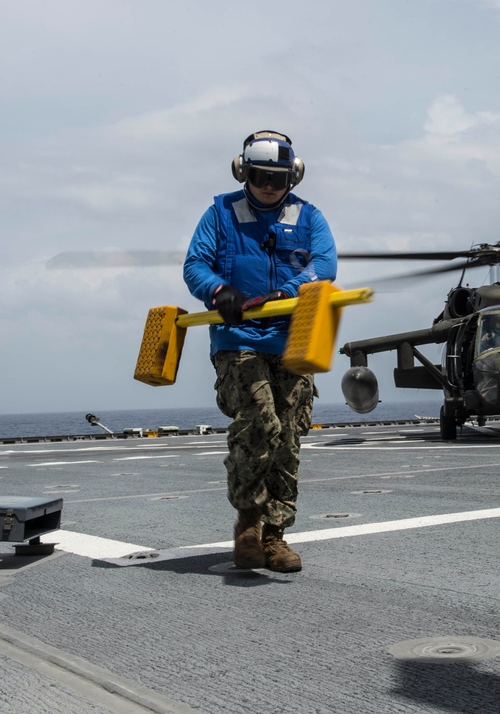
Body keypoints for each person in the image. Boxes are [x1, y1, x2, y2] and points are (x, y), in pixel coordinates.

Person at [183, 130, 338, 570]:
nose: (268, 186)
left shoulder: (309, 217)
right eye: (259, 176)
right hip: (239, 342)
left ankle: (275, 537)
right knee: (260, 421)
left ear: (293, 177)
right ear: (243, 172)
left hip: (294, 339)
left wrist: (283, 293)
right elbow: (195, 264)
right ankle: (248, 523)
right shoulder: (220, 214)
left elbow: (323, 265)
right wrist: (218, 290)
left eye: (277, 178)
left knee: (288, 438)